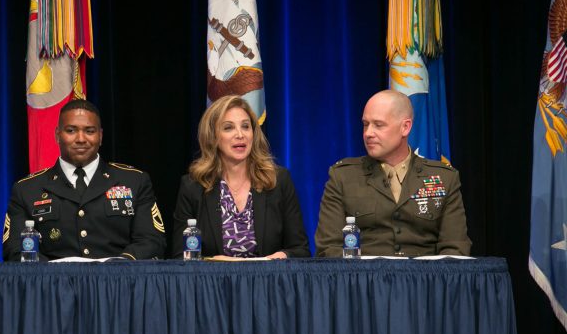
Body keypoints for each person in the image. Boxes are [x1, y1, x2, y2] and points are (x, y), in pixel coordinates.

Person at [3, 99, 166, 261]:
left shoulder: (134, 181)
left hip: (119, 283)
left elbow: (151, 241)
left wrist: (120, 265)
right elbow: (15, 249)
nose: (81, 139)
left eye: (89, 131)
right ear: (57, 135)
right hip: (53, 284)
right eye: (71, 130)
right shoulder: (27, 189)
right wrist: (53, 273)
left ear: (100, 136)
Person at [315, 89, 472, 257]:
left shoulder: (445, 178)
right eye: (365, 124)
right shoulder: (343, 177)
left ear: (405, 127)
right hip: (362, 281)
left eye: (378, 125)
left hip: (425, 281)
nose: (368, 133)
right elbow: (328, 250)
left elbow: (455, 250)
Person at [172, 95, 310, 259]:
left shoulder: (278, 180)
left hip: (269, 281)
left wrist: (280, 257)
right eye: (228, 128)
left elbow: (300, 250)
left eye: (245, 126)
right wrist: (211, 262)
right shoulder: (193, 186)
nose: (240, 134)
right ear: (213, 136)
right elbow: (181, 256)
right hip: (213, 283)